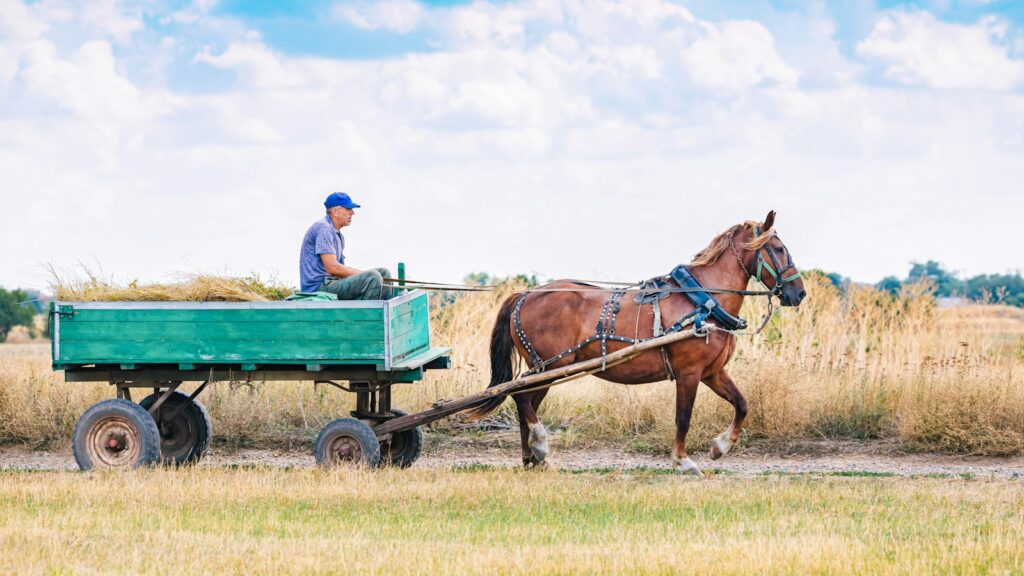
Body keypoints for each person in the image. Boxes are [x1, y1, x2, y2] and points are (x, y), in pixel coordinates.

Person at [299, 192, 394, 300]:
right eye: (348, 209)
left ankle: (384, 315)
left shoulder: (338, 235)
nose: (352, 213)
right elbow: (332, 267)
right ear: (335, 211)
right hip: (317, 287)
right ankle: (367, 317)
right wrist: (365, 275)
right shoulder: (323, 228)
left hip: (331, 283)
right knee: (373, 276)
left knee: (384, 273)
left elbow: (340, 270)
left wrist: (364, 275)